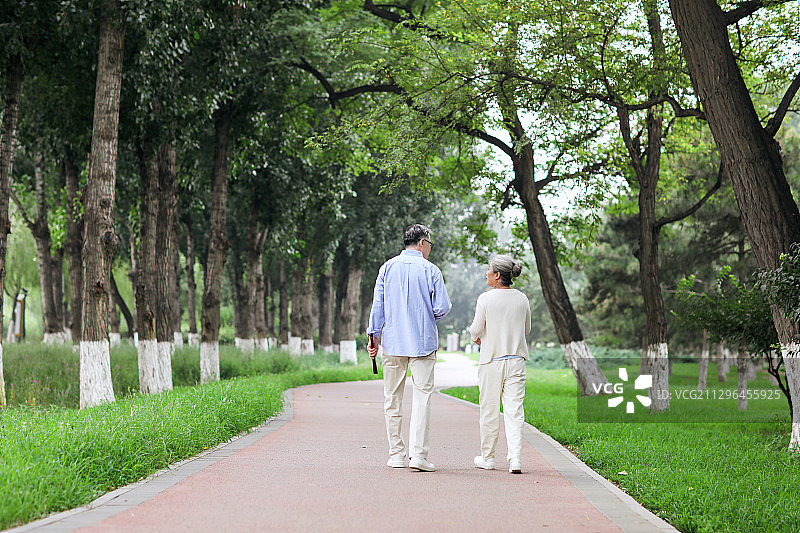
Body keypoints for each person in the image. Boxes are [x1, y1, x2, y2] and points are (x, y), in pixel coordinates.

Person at [367, 224, 452, 472]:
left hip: (393, 343)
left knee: (392, 398)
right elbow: (443, 307)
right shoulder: (431, 270)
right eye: (430, 246)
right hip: (423, 343)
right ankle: (418, 456)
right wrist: (424, 314)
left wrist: (373, 337)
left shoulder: (387, 267)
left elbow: (377, 307)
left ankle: (396, 454)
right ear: (423, 243)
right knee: (422, 398)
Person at [468, 254, 530, 474]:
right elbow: (526, 329)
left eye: (488, 269)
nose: (486, 273)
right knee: (514, 411)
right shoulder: (522, 298)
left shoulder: (485, 299)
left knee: (489, 410)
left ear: (497, 275)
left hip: (491, 361)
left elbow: (475, 330)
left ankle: (488, 458)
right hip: (516, 361)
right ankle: (515, 459)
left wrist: (479, 334)